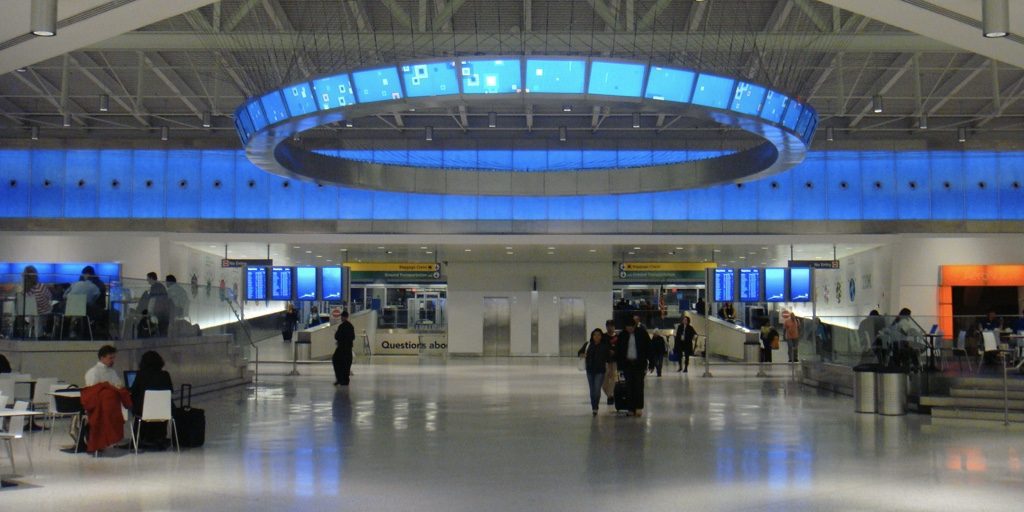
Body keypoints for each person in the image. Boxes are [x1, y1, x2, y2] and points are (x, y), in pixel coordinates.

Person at [130, 350, 173, 449]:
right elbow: (170, 391)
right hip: (164, 411)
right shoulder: (165, 374)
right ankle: (159, 438)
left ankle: (139, 438)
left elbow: (134, 391)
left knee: (137, 407)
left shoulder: (141, 375)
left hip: (145, 411)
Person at [615, 318, 652, 417]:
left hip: (639, 364)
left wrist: (651, 362)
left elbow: (649, 347)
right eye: (627, 327)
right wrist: (619, 366)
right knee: (629, 387)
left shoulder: (642, 333)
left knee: (639, 386)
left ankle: (638, 407)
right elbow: (619, 351)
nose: (629, 329)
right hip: (627, 364)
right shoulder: (622, 335)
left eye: (631, 327)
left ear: (635, 326)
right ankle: (630, 408)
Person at [578, 328, 612, 416]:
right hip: (590, 370)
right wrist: (582, 354)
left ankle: (595, 406)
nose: (596, 336)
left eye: (598, 335)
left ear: (601, 336)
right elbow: (579, 352)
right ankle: (594, 408)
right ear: (592, 336)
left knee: (597, 390)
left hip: (600, 371)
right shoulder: (588, 344)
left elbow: (608, 358)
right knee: (592, 390)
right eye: (595, 335)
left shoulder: (604, 346)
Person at [138, 272, 173, 337]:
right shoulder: (161, 286)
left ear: (151, 278)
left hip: (155, 310)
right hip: (163, 311)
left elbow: (150, 300)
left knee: (140, 310)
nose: (147, 280)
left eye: (148, 278)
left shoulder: (154, 288)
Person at [22, 265, 53, 338]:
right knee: (55, 307)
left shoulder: (25, 290)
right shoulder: (41, 286)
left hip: (29, 314)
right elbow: (50, 297)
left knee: (35, 313)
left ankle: (33, 333)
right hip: (43, 312)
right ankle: (46, 334)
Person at [333, 310, 355, 386]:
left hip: (341, 348)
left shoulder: (341, 326)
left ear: (343, 317)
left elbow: (337, 336)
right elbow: (353, 337)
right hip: (348, 349)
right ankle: (345, 380)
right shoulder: (351, 326)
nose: (341, 318)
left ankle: (339, 379)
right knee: (347, 364)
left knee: (336, 361)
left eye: (342, 317)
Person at [601, 319, 618, 406]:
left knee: (614, 379)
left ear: (614, 327)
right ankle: (610, 395)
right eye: (608, 326)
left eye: (611, 326)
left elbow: (621, 349)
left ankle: (610, 397)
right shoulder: (603, 337)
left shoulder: (618, 337)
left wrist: (615, 352)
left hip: (615, 362)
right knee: (603, 382)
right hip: (605, 362)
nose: (610, 328)